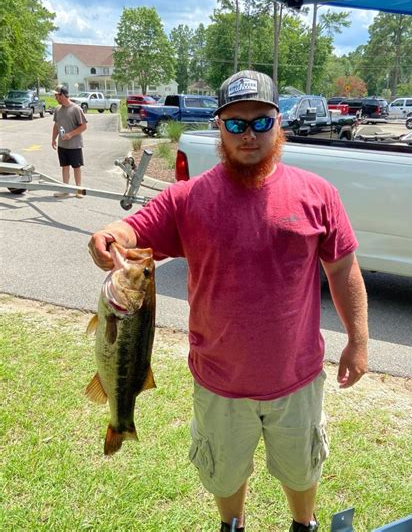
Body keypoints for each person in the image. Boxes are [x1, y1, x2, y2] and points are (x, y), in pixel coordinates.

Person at [88, 70, 369, 532]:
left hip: (295, 380)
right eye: (236, 124)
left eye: (261, 121)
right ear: (219, 127)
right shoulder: (188, 198)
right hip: (220, 382)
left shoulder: (318, 195)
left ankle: (304, 525)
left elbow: (343, 271)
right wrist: (106, 238)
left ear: (279, 123)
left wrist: (358, 342)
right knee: (224, 473)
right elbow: (129, 231)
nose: (249, 134)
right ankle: (231, 526)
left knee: (302, 470)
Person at [51, 85, 88, 198]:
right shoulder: (58, 109)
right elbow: (56, 125)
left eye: (57, 96)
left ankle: (78, 190)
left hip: (74, 145)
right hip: (62, 145)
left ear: (62, 95)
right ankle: (65, 189)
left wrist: (70, 134)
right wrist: (53, 139)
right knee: (64, 166)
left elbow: (84, 126)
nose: (55, 98)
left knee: (76, 167)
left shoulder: (76, 109)